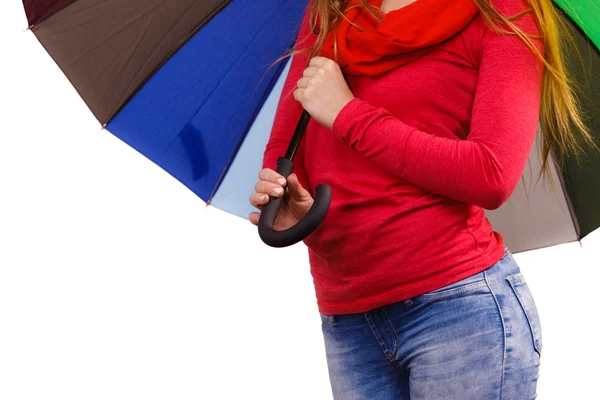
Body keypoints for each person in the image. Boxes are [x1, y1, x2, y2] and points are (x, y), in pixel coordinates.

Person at [249, 0, 596, 398]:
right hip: (346, 319)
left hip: (459, 313)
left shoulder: (504, 13)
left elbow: (492, 174)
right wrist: (295, 207)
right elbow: (286, 149)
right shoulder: (329, 10)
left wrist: (348, 113)